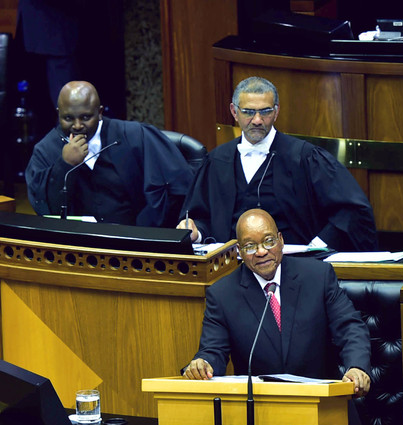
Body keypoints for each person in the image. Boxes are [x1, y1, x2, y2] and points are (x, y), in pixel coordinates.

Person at [183, 209, 372, 397]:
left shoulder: (317, 276)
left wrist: (356, 366)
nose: (261, 252)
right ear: (239, 251)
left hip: (322, 402)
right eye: (250, 246)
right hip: (261, 405)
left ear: (280, 240)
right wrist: (203, 363)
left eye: (268, 241)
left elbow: (350, 327)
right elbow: (213, 350)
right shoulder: (223, 294)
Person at [178, 76, 377, 251]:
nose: (257, 120)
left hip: (294, 269)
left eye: (265, 112)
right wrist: (197, 233)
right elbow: (200, 218)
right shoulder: (216, 160)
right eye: (248, 112)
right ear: (234, 111)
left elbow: (351, 211)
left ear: (276, 111)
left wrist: (316, 247)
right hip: (229, 270)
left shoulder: (305, 158)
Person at [25, 81, 194, 227]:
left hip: (138, 242)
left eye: (85, 117)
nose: (77, 125)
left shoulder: (134, 136)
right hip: (78, 247)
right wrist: (64, 165)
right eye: (68, 118)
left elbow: (177, 187)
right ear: (58, 114)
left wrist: (143, 231)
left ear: (100, 112)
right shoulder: (46, 150)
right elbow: (45, 210)